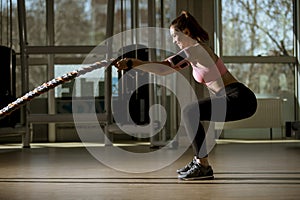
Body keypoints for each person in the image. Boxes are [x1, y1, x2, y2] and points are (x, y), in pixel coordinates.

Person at [115, 11, 257, 180]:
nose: (174, 41)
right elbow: (164, 71)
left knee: (191, 111)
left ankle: (202, 165)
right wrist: (136, 65)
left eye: (175, 36)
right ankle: (200, 161)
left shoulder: (196, 50)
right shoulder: (193, 55)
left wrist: (134, 62)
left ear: (187, 32)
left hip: (239, 98)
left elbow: (163, 67)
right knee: (192, 111)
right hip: (231, 97)